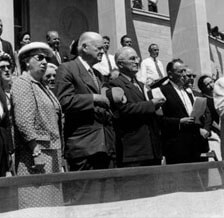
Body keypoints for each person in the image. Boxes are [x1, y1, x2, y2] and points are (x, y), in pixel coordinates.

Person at [12, 42, 63, 208]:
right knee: (37, 203)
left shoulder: (41, 85)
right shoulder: (23, 82)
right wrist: (35, 150)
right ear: (27, 61)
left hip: (52, 154)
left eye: (46, 59)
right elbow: (23, 119)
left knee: (52, 203)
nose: (44, 62)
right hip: (36, 156)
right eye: (39, 57)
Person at [55, 32, 116, 171]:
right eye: (98, 48)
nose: (103, 51)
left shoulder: (97, 74)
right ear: (84, 47)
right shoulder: (67, 68)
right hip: (83, 146)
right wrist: (94, 98)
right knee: (85, 191)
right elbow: (63, 100)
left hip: (105, 145)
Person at [106, 46, 164, 167]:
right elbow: (123, 109)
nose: (137, 61)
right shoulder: (115, 84)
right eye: (132, 59)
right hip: (134, 151)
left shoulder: (142, 85)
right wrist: (151, 104)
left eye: (137, 58)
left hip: (153, 149)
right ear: (120, 64)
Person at [159, 58, 209, 164]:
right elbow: (160, 119)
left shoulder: (188, 91)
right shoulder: (163, 91)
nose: (184, 75)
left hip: (195, 144)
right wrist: (179, 122)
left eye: (185, 71)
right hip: (177, 145)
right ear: (170, 74)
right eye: (180, 72)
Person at [0, 52, 14, 177]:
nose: (6, 70)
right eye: (2, 67)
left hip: (15, 144)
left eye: (8, 67)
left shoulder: (15, 90)